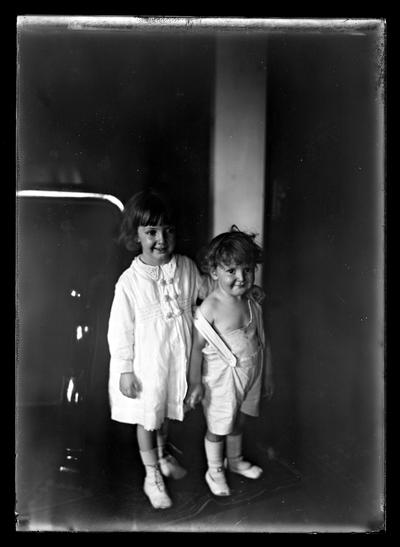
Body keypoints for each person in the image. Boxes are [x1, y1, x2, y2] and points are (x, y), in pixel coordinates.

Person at [107, 189, 211, 510]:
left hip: (174, 359)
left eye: (167, 230)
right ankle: (151, 474)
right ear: (136, 236)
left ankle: (163, 456)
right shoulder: (129, 282)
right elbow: (120, 330)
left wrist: (230, 288)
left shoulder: (185, 267)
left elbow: (205, 290)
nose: (161, 239)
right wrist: (125, 368)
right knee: (147, 418)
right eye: (151, 232)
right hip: (145, 365)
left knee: (164, 413)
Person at [185, 226, 274, 496]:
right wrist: (195, 382)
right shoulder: (210, 308)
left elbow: (262, 340)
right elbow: (196, 349)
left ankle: (234, 462)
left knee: (238, 420)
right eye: (231, 271)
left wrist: (268, 373)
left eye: (247, 269)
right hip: (222, 380)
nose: (241, 277)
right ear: (214, 272)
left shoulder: (250, 301)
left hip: (250, 373)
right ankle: (215, 470)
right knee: (219, 426)